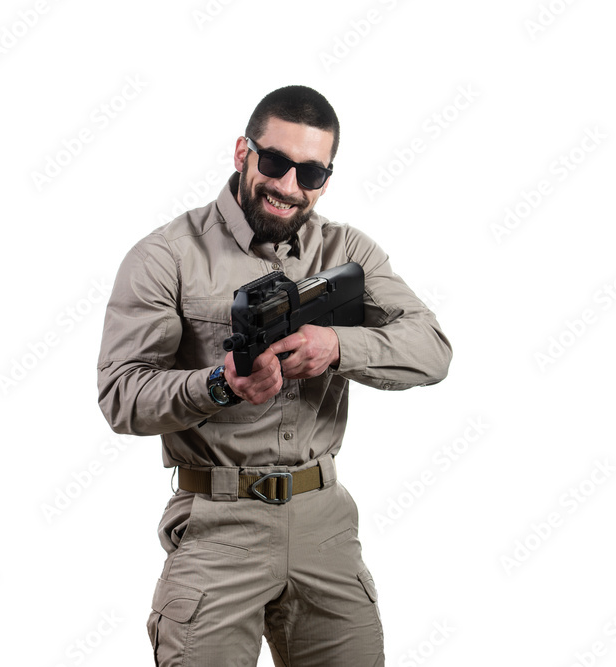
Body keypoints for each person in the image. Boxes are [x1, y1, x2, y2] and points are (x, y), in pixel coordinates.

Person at [97, 85, 452, 666]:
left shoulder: (348, 251)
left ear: (326, 180)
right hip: (217, 527)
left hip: (326, 525)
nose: (288, 185)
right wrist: (219, 385)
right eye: (275, 162)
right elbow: (121, 396)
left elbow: (432, 350)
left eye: (310, 172)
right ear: (243, 153)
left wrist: (336, 346)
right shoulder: (166, 256)